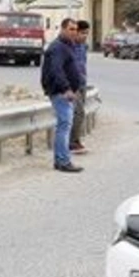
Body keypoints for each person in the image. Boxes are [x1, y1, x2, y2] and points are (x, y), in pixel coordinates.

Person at [40, 18, 84, 173]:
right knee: (64, 126)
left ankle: (62, 160)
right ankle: (62, 161)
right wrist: (66, 89)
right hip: (61, 93)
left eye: (75, 29)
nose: (74, 32)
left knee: (64, 125)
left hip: (66, 93)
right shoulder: (58, 48)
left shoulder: (67, 46)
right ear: (63, 29)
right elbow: (56, 70)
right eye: (71, 29)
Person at [70, 19, 91, 154]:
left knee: (80, 114)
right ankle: (72, 142)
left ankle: (75, 140)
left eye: (87, 33)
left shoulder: (84, 47)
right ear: (76, 32)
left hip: (82, 83)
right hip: (72, 85)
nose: (85, 36)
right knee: (78, 113)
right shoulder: (69, 46)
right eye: (82, 33)